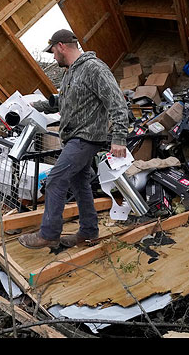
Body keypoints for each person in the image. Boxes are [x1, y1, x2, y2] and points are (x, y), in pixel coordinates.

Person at [18, 29, 131, 250]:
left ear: (61, 46)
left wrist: (119, 137)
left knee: (55, 180)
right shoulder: (71, 72)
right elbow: (64, 100)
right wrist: (35, 105)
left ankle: (49, 234)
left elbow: (117, 102)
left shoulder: (94, 68)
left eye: (52, 51)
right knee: (80, 185)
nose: (52, 57)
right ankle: (88, 232)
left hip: (86, 137)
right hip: (74, 137)